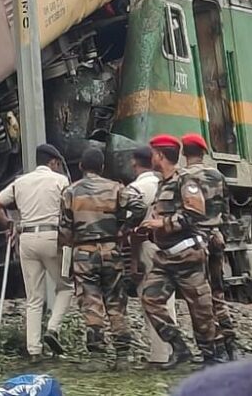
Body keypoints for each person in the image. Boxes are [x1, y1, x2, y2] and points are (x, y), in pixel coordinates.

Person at [58, 147, 146, 369]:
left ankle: (97, 357)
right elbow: (140, 206)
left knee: (91, 302)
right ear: (103, 167)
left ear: (81, 166)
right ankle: (122, 356)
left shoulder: (71, 192)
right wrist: (124, 228)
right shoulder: (116, 188)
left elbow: (65, 229)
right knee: (116, 301)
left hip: (83, 252)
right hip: (111, 250)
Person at [139, 134, 219, 368]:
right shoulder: (162, 183)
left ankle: (210, 357)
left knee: (200, 310)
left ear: (160, 156)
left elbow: (196, 212)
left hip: (187, 254)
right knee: (150, 298)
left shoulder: (186, 181)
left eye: (153, 154)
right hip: (165, 258)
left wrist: (162, 224)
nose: (151, 158)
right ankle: (180, 348)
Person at [0, 143, 73, 361]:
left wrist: (9, 225)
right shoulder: (61, 181)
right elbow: (70, 210)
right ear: (53, 162)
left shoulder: (20, 182)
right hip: (53, 238)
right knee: (66, 286)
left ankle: (34, 350)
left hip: (26, 239)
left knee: (34, 297)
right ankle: (52, 329)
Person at [181, 133, 238, 362]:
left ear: (184, 153)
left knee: (199, 297)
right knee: (217, 293)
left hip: (195, 242)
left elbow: (184, 212)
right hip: (216, 238)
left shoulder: (183, 177)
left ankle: (214, 349)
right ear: (203, 152)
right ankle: (231, 343)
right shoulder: (217, 175)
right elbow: (226, 207)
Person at [128, 146, 177, 368]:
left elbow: (131, 225)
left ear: (134, 163)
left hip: (146, 247)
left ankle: (158, 355)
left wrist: (133, 259)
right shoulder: (166, 185)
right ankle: (174, 351)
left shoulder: (136, 188)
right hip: (169, 246)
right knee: (168, 301)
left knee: (150, 300)